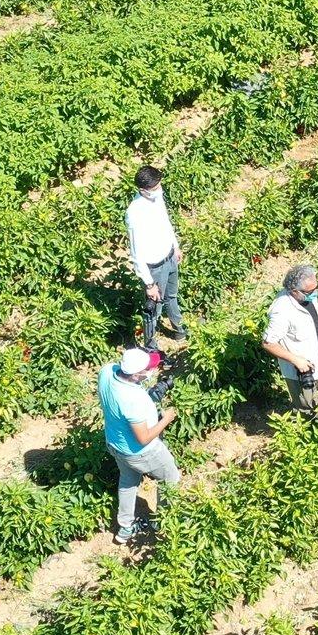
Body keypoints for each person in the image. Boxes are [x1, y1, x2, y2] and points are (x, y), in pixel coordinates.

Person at [97, 347, 181, 544]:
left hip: (116, 444)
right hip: (142, 452)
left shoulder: (107, 371)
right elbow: (143, 438)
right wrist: (166, 419)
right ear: (136, 375)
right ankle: (163, 521)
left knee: (128, 481)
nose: (151, 370)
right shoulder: (132, 399)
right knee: (171, 478)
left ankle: (125, 527)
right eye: (147, 368)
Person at [127, 165, 187, 345]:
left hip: (169, 257)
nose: (159, 190)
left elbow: (165, 222)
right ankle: (151, 347)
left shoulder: (157, 197)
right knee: (154, 309)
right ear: (142, 190)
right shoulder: (135, 212)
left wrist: (175, 246)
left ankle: (180, 329)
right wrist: (149, 284)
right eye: (155, 188)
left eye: (159, 185)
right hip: (154, 268)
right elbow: (136, 254)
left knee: (172, 296)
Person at [261, 264, 318, 418]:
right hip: (300, 371)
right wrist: (296, 360)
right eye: (310, 291)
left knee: (314, 398)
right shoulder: (282, 310)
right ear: (294, 291)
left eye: (316, 288)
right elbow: (268, 343)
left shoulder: (306, 296)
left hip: (314, 362)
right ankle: (308, 433)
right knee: (307, 407)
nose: (315, 293)